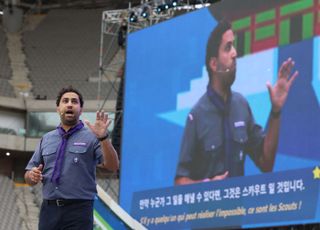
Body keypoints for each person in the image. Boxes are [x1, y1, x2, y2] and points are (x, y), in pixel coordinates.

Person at [175, 20, 298, 185]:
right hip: (206, 211)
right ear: (213, 63)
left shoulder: (241, 105)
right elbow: (179, 181)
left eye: (233, 47)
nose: (235, 53)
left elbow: (266, 163)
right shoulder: (196, 115)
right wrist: (207, 184)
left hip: (238, 209)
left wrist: (276, 111)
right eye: (228, 48)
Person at [24, 86, 119, 230]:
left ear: (80, 110)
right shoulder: (46, 139)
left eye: (74, 101)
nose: (69, 104)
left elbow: (112, 166)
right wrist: (31, 175)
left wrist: (104, 138)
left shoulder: (93, 138)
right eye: (65, 101)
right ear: (58, 108)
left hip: (79, 211)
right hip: (49, 211)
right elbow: (28, 176)